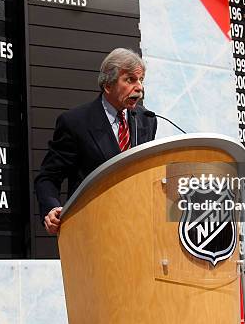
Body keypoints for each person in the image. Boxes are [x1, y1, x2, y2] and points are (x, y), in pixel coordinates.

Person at [35, 48, 157, 235]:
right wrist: (51, 209)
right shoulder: (75, 122)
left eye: (141, 80)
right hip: (93, 230)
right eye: (130, 80)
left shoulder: (146, 120)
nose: (139, 87)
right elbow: (48, 177)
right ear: (108, 85)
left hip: (137, 230)